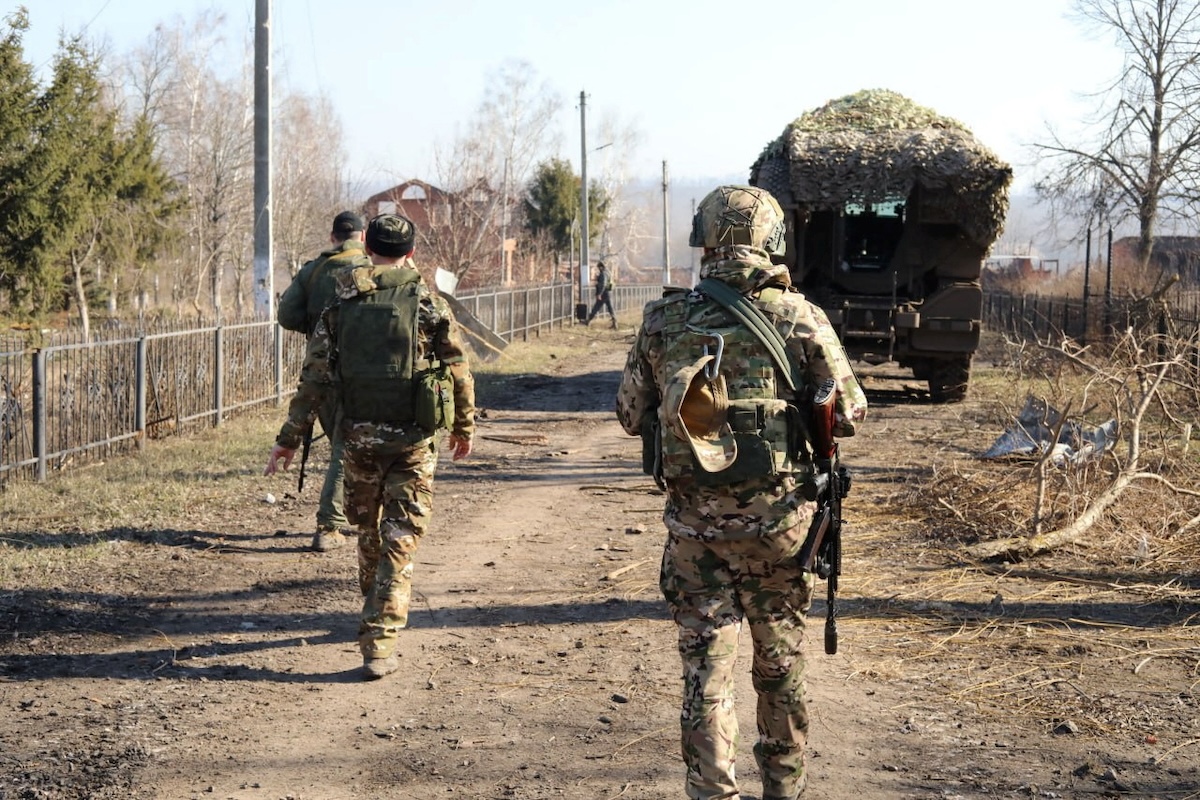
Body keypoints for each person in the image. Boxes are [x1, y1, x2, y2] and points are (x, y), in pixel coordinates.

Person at [616, 185, 868, 799]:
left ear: (703, 239)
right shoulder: (801, 316)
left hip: (694, 536)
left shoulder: (664, 320)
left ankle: (712, 791)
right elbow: (850, 412)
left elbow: (628, 414)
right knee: (780, 670)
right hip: (780, 532)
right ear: (772, 239)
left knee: (706, 674)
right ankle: (784, 787)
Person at [265, 213, 476, 680]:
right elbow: (458, 368)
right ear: (411, 253)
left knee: (369, 531)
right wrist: (463, 425)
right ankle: (379, 637)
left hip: (358, 437)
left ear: (368, 248)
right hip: (414, 440)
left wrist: (289, 439)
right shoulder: (428, 302)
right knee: (400, 539)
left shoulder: (341, 302)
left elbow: (315, 377)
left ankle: (373, 607)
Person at [276, 210, 372, 553]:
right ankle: (329, 525)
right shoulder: (371, 268)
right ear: (362, 237)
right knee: (345, 450)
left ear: (333, 237)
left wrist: (317, 327)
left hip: (320, 372)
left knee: (342, 447)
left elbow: (286, 315)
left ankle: (349, 517)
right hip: (361, 372)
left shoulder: (313, 270)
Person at [586, 261, 617, 328]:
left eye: (599, 267)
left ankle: (588, 320)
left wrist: (600, 294)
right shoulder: (608, 272)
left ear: (601, 267)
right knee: (611, 308)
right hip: (608, 293)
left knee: (596, 307)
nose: (598, 269)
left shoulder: (603, 274)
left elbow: (603, 284)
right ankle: (615, 323)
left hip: (604, 294)